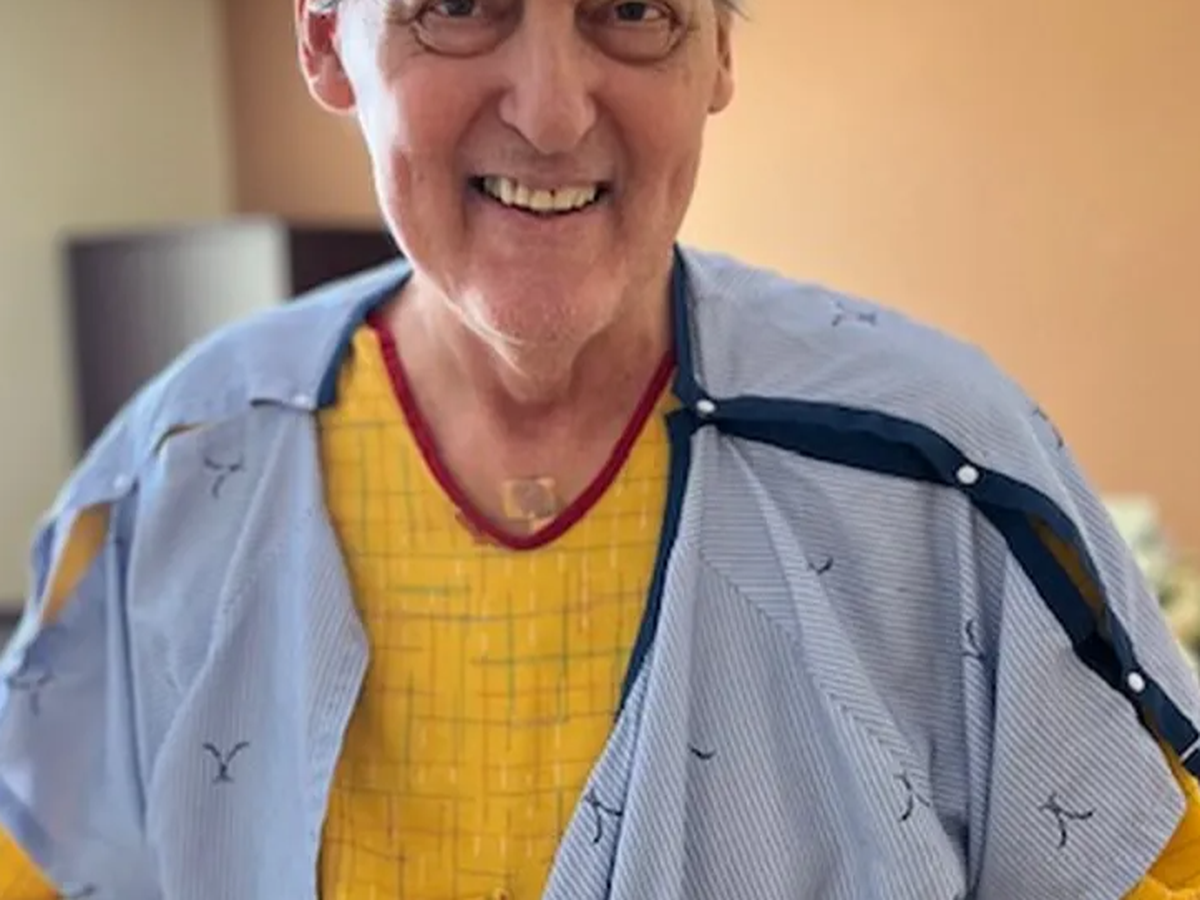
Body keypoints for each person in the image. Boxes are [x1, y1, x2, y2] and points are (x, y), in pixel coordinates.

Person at [2, 0, 1199, 896]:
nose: (553, 111)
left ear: (718, 52)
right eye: (458, 5)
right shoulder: (176, 477)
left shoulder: (943, 477)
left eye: (632, 9)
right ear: (325, 40)